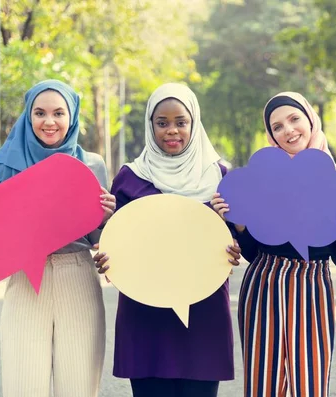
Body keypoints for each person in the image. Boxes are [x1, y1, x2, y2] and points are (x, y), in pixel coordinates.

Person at [0, 79, 115, 397]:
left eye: (58, 113)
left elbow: (96, 239)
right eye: (39, 113)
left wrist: (106, 218)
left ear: (72, 116)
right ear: (28, 116)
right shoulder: (8, 163)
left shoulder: (92, 165)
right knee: (23, 385)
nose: (49, 122)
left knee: (78, 387)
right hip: (24, 281)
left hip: (76, 275)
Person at [211, 91, 336, 397]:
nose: (289, 130)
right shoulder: (261, 177)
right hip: (265, 283)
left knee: (310, 382)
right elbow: (252, 251)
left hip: (314, 286)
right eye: (278, 126)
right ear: (271, 135)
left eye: (294, 119)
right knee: (264, 382)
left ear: (310, 120)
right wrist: (239, 221)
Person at [93, 83, 240, 397]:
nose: (171, 130)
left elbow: (236, 234)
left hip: (204, 309)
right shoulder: (130, 178)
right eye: (162, 123)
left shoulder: (220, 177)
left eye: (181, 122)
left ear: (194, 123)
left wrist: (234, 243)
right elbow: (116, 240)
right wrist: (108, 257)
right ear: (150, 125)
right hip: (145, 311)